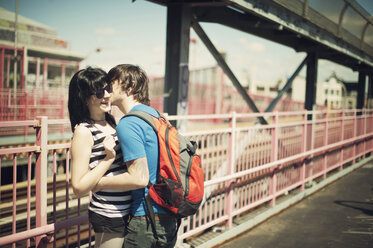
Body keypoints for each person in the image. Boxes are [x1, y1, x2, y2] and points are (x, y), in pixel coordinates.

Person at [96, 64, 179, 247]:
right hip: (167, 216)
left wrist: (98, 182)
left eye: (111, 84)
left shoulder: (129, 123)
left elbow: (139, 178)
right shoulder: (156, 116)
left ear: (130, 86)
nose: (107, 91)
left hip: (146, 220)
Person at [68, 67, 145, 248]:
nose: (107, 95)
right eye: (98, 91)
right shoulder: (84, 131)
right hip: (109, 212)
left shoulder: (111, 122)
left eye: (107, 89)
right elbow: (78, 187)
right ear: (84, 98)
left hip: (124, 209)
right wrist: (107, 160)